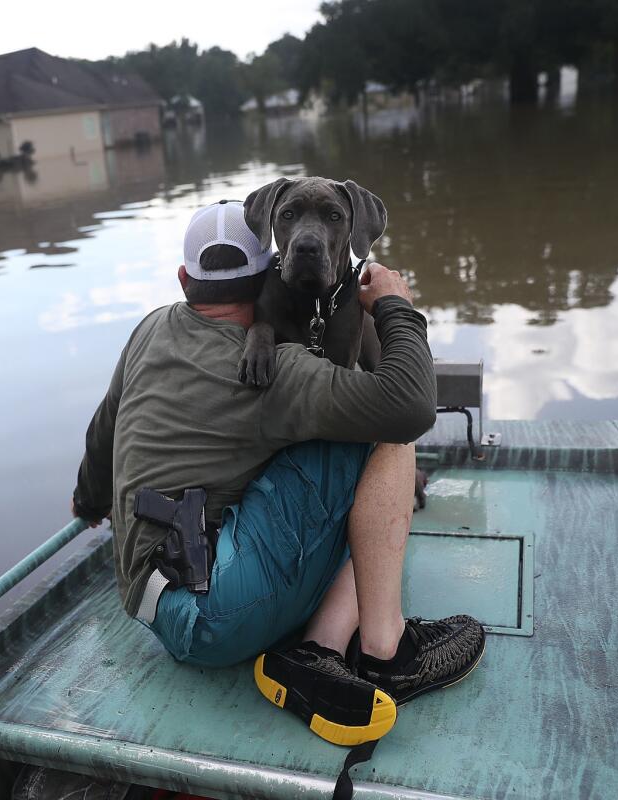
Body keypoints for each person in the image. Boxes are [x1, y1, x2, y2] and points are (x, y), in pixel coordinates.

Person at [71, 199, 485, 746]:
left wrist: (89, 503)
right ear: (269, 273)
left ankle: (319, 644)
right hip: (218, 617)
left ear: (182, 278)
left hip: (149, 607)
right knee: (383, 431)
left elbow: (103, 433)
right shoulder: (274, 370)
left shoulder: (151, 328)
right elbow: (409, 405)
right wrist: (394, 306)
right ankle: (385, 651)